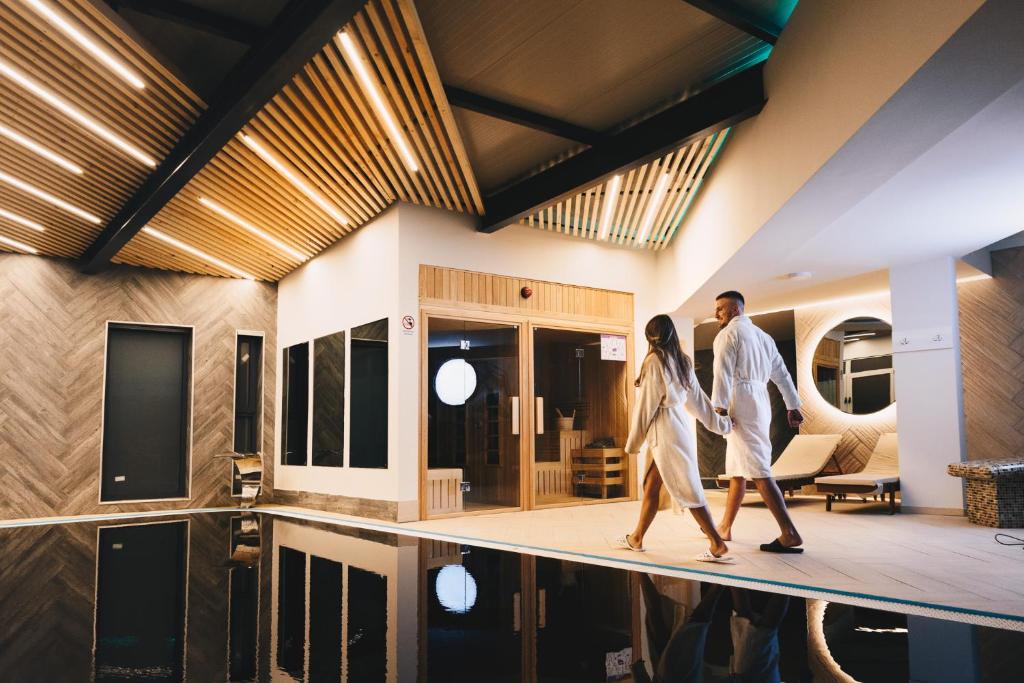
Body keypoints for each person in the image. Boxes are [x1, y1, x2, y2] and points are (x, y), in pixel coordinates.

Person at [619, 314, 734, 563]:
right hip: (678, 427)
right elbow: (699, 402)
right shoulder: (682, 361)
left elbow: (645, 408)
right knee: (651, 485)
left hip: (664, 430)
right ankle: (637, 537)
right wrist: (720, 423)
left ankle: (717, 544)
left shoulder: (653, 361)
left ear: (650, 336)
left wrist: (633, 444)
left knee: (687, 486)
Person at [711, 291, 805, 553]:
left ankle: (789, 533)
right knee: (738, 468)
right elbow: (782, 374)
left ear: (734, 310)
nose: (716, 314)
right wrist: (792, 405)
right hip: (760, 401)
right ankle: (725, 526)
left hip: (739, 399)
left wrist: (718, 408)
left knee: (759, 467)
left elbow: (722, 371)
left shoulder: (728, 334)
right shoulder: (765, 337)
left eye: (720, 309)